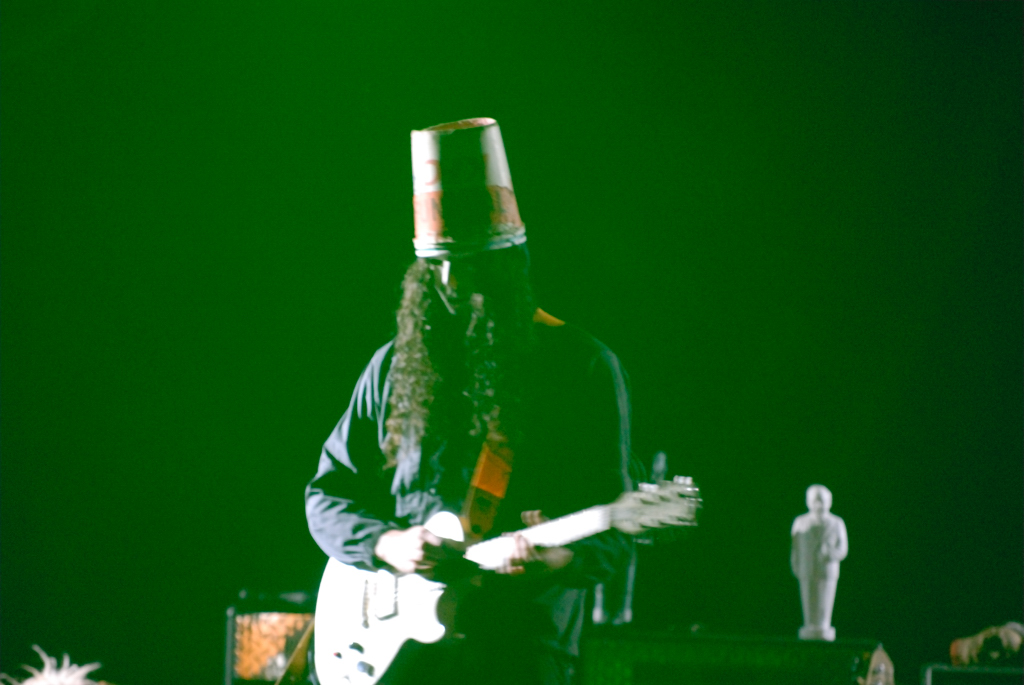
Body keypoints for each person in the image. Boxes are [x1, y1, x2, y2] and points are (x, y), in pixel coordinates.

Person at [305, 118, 634, 685]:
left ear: (510, 262)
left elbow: (614, 524)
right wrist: (385, 542)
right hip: (396, 655)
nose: (450, 281)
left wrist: (561, 558)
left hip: (518, 651)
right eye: (436, 264)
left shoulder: (580, 367)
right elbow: (327, 494)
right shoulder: (392, 365)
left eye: (471, 262)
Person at [791, 484, 848, 641]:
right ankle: (810, 625)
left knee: (824, 606)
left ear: (829, 502)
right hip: (806, 569)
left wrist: (829, 553)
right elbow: (795, 548)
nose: (818, 505)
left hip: (827, 570)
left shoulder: (836, 523)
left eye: (821, 500)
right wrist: (795, 564)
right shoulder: (800, 522)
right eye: (814, 500)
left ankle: (823, 626)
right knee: (808, 603)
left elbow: (843, 548)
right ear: (808, 502)